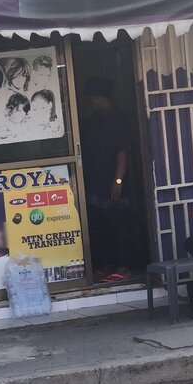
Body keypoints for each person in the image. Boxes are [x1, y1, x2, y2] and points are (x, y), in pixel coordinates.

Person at [79, 76, 132, 282]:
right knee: (103, 226)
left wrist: (117, 182)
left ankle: (124, 267)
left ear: (97, 98)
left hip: (113, 185)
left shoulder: (116, 119)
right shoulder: (97, 119)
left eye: (91, 100)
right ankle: (108, 265)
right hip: (98, 185)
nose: (90, 105)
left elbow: (122, 153)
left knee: (119, 225)